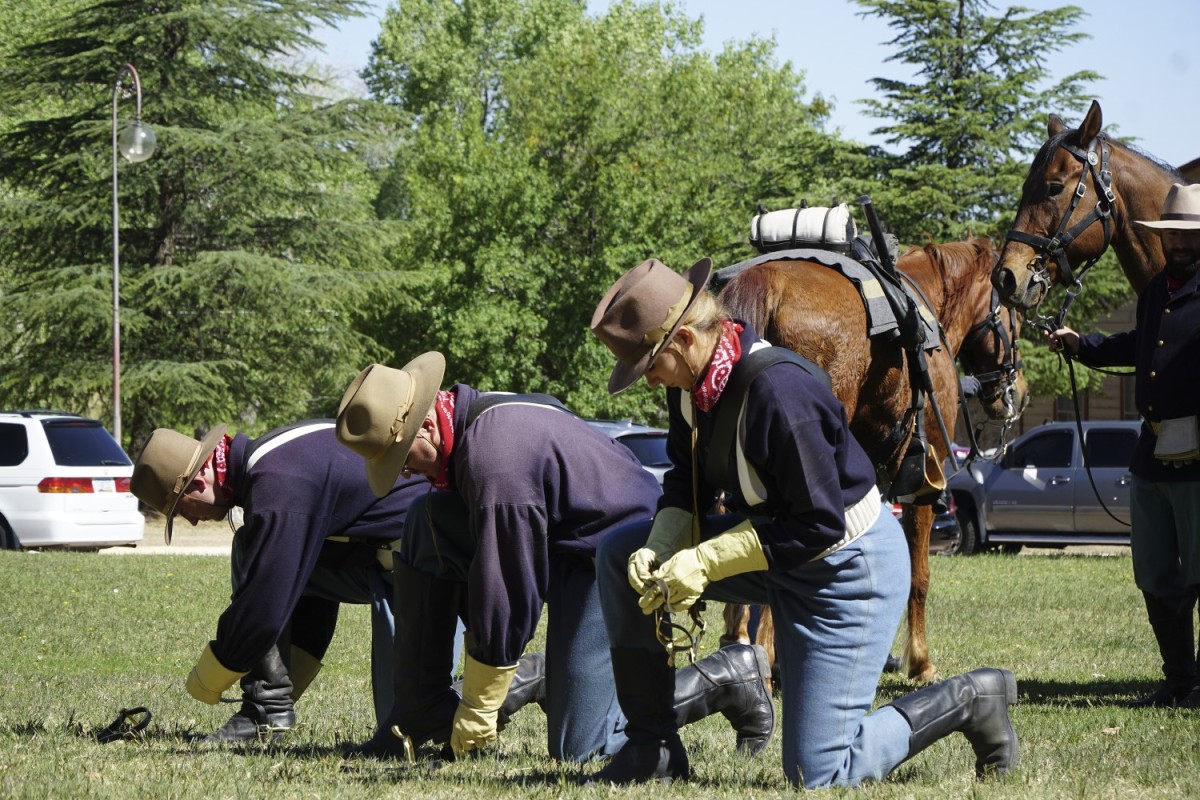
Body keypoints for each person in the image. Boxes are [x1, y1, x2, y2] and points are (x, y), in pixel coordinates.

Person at [588, 257, 1018, 787]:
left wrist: (703, 559)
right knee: (616, 554)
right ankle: (651, 745)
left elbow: (817, 524)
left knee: (819, 774)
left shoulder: (780, 393)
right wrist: (659, 547)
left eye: (649, 367)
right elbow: (685, 482)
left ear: (681, 343)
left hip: (845, 570)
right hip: (776, 553)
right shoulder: (689, 388)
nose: (652, 383)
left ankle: (972, 699)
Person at [335, 352, 775, 763]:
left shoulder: (494, 459)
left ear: (427, 427)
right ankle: (421, 711)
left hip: (610, 556)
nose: (405, 472)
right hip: (561, 543)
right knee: (425, 517)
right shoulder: (472, 424)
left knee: (582, 747)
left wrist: (479, 703)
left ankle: (730, 677)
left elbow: (508, 589)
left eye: (401, 457)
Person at [130, 419, 452, 742]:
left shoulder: (275, 482)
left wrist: (207, 677)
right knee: (257, 548)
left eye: (181, 508)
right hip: (391, 553)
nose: (193, 520)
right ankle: (266, 710)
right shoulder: (270, 458)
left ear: (198, 480)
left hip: (429, 563)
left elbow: (262, 609)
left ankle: (469, 707)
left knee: (404, 734)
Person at [1047, 182, 1200, 708]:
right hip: (1152, 458)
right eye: (1173, 234)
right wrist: (1081, 345)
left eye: (1190, 235)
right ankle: (1180, 682)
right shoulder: (1158, 289)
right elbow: (1137, 346)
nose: (1181, 243)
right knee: (1156, 575)